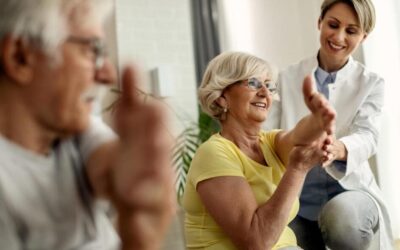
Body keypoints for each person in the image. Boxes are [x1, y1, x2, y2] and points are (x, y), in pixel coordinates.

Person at [0, 0, 175, 250]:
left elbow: (112, 166)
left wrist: (142, 181)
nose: (107, 74)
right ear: (20, 57)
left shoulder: (71, 131)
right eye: (93, 49)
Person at [263, 0, 394, 249]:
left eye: (351, 31)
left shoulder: (372, 83)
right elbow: (268, 135)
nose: (339, 36)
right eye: (332, 25)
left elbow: (368, 135)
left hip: (350, 193)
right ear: (319, 22)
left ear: (364, 36)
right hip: (297, 202)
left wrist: (339, 148)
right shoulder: (288, 77)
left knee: (342, 221)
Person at [182, 51, 336, 250]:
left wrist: (319, 119)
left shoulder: (270, 142)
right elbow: (256, 242)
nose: (265, 92)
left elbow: (299, 136)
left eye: (269, 86)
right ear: (221, 97)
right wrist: (297, 168)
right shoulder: (213, 153)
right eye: (253, 83)